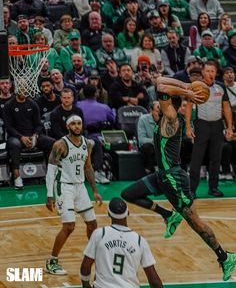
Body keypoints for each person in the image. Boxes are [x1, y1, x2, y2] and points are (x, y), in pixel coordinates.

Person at [121, 76, 236, 282]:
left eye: (157, 106)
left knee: (195, 223)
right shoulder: (168, 115)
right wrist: (187, 88)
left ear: (166, 106)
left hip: (174, 178)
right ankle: (168, 215)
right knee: (128, 194)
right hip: (162, 176)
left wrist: (185, 92)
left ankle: (224, 256)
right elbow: (159, 80)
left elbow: (161, 85)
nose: (154, 108)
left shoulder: (171, 118)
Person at [45, 114, 103, 275]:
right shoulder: (60, 145)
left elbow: (88, 167)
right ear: (68, 127)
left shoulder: (87, 143)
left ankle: (95, 256)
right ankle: (52, 261)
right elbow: (51, 171)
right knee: (69, 226)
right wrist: (50, 195)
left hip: (80, 188)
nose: (77, 126)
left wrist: (95, 191)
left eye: (79, 123)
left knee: (92, 225)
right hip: (64, 188)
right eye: (73, 124)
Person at [80, 197, 163, 288]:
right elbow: (154, 281)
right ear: (128, 213)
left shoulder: (100, 234)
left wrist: (86, 285)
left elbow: (85, 268)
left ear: (108, 214)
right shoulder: (139, 241)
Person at [186, 61, 233, 198]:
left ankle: (213, 188)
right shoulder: (196, 87)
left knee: (216, 158)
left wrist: (229, 127)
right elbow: (188, 107)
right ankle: (191, 190)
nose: (211, 74)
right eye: (208, 71)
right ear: (203, 72)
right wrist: (188, 127)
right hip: (202, 125)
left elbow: (226, 108)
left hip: (217, 125)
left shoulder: (221, 87)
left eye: (213, 71)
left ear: (215, 73)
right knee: (197, 158)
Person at [3, 88, 55, 190]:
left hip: (32, 136)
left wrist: (35, 135)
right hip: (16, 137)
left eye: (26, 89)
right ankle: (17, 177)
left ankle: (52, 173)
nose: (24, 92)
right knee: (14, 144)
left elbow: (39, 125)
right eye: (21, 89)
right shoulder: (9, 105)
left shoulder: (33, 104)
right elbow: (8, 127)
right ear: (16, 90)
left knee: (53, 143)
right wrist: (21, 137)